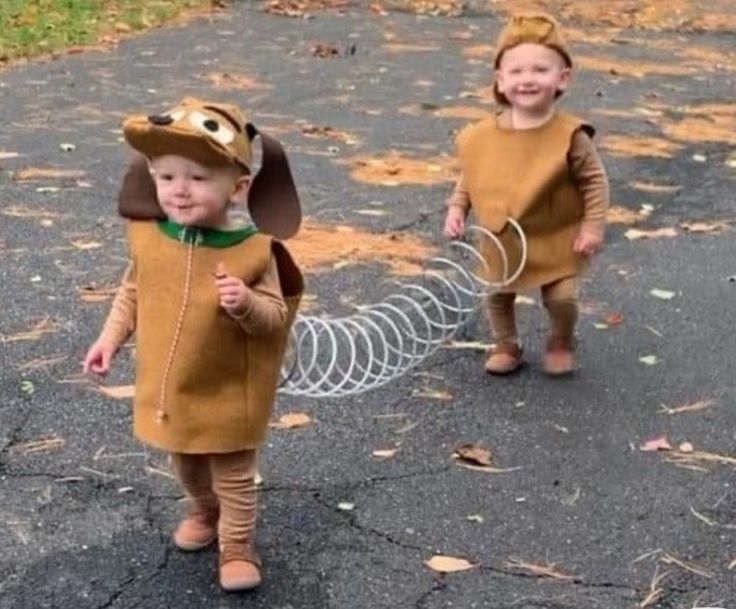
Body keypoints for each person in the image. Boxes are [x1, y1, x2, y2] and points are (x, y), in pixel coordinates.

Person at [83, 97, 303, 591]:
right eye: (166, 178)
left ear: (238, 187)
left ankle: (238, 545)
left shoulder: (253, 250)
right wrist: (109, 338)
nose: (179, 191)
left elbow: (274, 316)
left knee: (233, 470)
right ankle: (204, 512)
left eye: (198, 178)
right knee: (185, 463)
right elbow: (133, 291)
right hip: (173, 386)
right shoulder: (151, 237)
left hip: (228, 387)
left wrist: (244, 302)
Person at [443, 12, 609, 376]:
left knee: (561, 296)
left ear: (562, 78)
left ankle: (562, 338)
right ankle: (507, 344)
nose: (527, 79)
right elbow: (473, 174)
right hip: (504, 236)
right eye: (516, 71)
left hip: (556, 235)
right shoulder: (481, 136)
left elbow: (594, 181)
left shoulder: (570, 135)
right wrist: (458, 208)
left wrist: (592, 228)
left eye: (540, 70)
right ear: (500, 80)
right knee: (498, 294)